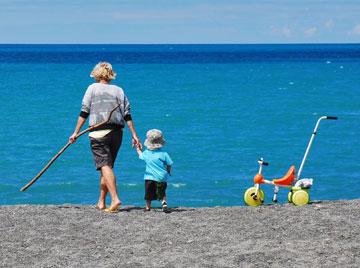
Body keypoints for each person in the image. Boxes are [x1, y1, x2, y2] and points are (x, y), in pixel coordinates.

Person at [69, 62, 142, 213]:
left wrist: (75, 132)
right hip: (117, 133)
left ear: (97, 74)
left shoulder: (92, 88)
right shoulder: (119, 90)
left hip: (98, 133)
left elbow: (84, 111)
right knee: (107, 166)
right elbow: (127, 114)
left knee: (105, 165)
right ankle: (101, 201)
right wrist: (134, 135)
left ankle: (115, 199)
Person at [136, 129, 173, 212]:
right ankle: (164, 203)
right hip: (161, 176)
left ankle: (147, 207)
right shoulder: (164, 154)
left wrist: (138, 148)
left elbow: (140, 155)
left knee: (148, 192)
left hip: (149, 176)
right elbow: (169, 163)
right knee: (162, 191)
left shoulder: (146, 153)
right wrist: (168, 170)